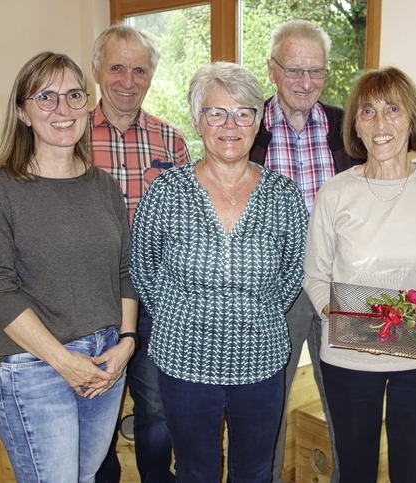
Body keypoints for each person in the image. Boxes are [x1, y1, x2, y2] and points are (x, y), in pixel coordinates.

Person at [130, 61, 308, 482]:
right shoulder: (167, 191)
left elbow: (293, 272)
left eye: (243, 112)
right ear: (197, 119)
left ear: (258, 121)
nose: (231, 124)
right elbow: (143, 268)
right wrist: (184, 314)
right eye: (216, 112)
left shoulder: (283, 195)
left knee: (255, 471)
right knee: (195, 472)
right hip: (184, 362)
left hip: (260, 363)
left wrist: (252, 313)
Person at [303, 66, 416, 483]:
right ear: (355, 127)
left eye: (392, 109)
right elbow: (315, 275)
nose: (380, 123)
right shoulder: (335, 193)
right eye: (367, 112)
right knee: (355, 471)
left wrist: (398, 333)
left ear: (411, 119)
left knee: (414, 472)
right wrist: (361, 330)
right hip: (347, 358)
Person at [0, 51, 138, 482]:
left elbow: (124, 272)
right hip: (35, 365)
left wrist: (127, 342)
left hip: (105, 362)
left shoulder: (104, 187)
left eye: (74, 95)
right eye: (46, 97)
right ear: (22, 112)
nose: (63, 109)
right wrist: (63, 360)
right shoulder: (5, 188)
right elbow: (1, 290)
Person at [249, 19, 358, 482]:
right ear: (272, 70)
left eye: (316, 71)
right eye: (294, 71)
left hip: (340, 283)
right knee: (268, 402)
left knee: (349, 401)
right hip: (274, 290)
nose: (306, 82)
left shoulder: (347, 127)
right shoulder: (247, 127)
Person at [91, 24, 191, 483]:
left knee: (156, 409)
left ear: (151, 76)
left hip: (155, 301)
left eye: (139, 70)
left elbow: (190, 223)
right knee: (96, 410)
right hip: (88, 299)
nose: (127, 81)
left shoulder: (172, 142)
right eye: (116, 68)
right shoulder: (67, 138)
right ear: (96, 70)